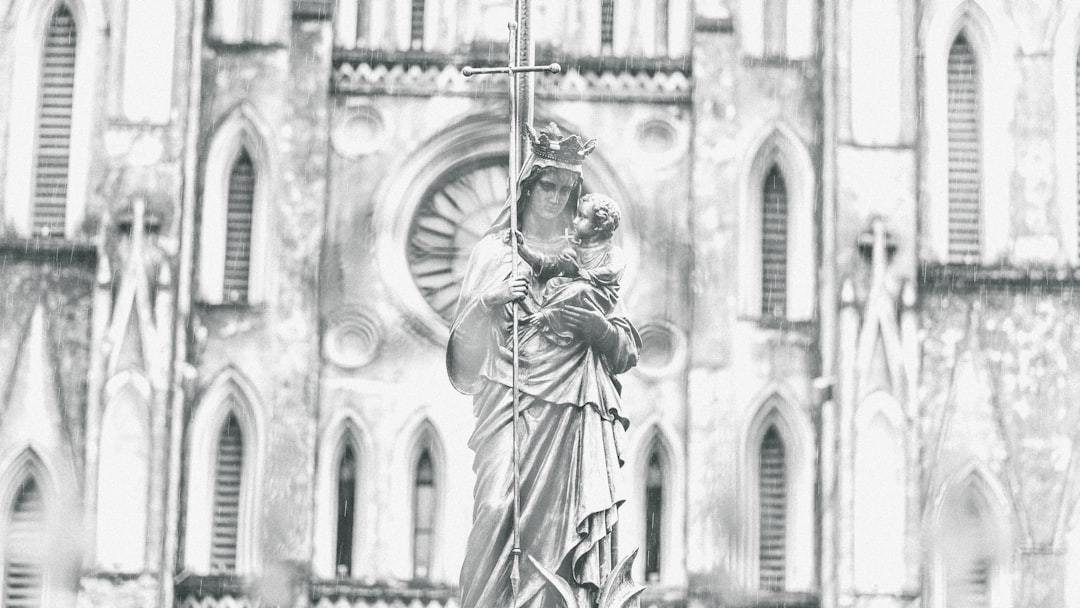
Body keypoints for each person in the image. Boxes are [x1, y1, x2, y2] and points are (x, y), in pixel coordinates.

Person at [447, 123, 640, 608]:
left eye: (566, 189)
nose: (555, 199)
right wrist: (490, 301)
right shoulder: (495, 253)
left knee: (565, 537)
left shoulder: (591, 260)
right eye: (547, 186)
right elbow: (462, 364)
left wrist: (596, 329)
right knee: (495, 507)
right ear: (529, 185)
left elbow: (625, 349)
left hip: (572, 411)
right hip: (509, 406)